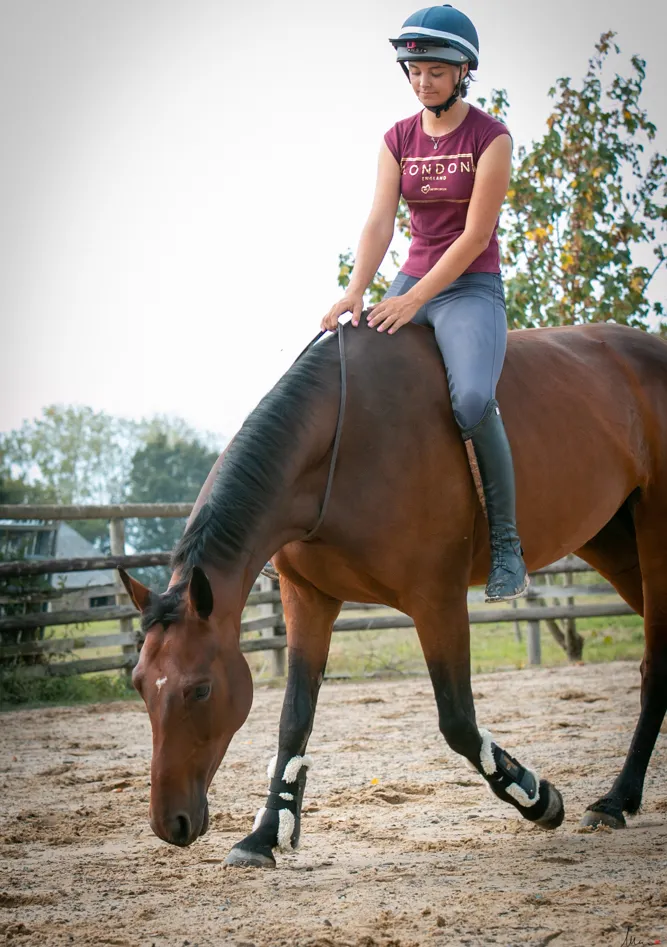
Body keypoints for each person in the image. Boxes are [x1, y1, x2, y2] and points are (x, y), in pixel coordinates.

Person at [321, 4, 529, 603]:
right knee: (347, 369)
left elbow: (474, 237)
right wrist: (357, 290)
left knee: (469, 398)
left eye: (435, 71)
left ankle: (508, 546)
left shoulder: (490, 138)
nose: (422, 81)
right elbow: (381, 220)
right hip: (409, 279)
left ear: (464, 71)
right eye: (414, 70)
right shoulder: (397, 138)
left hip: (469, 287)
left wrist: (414, 301)